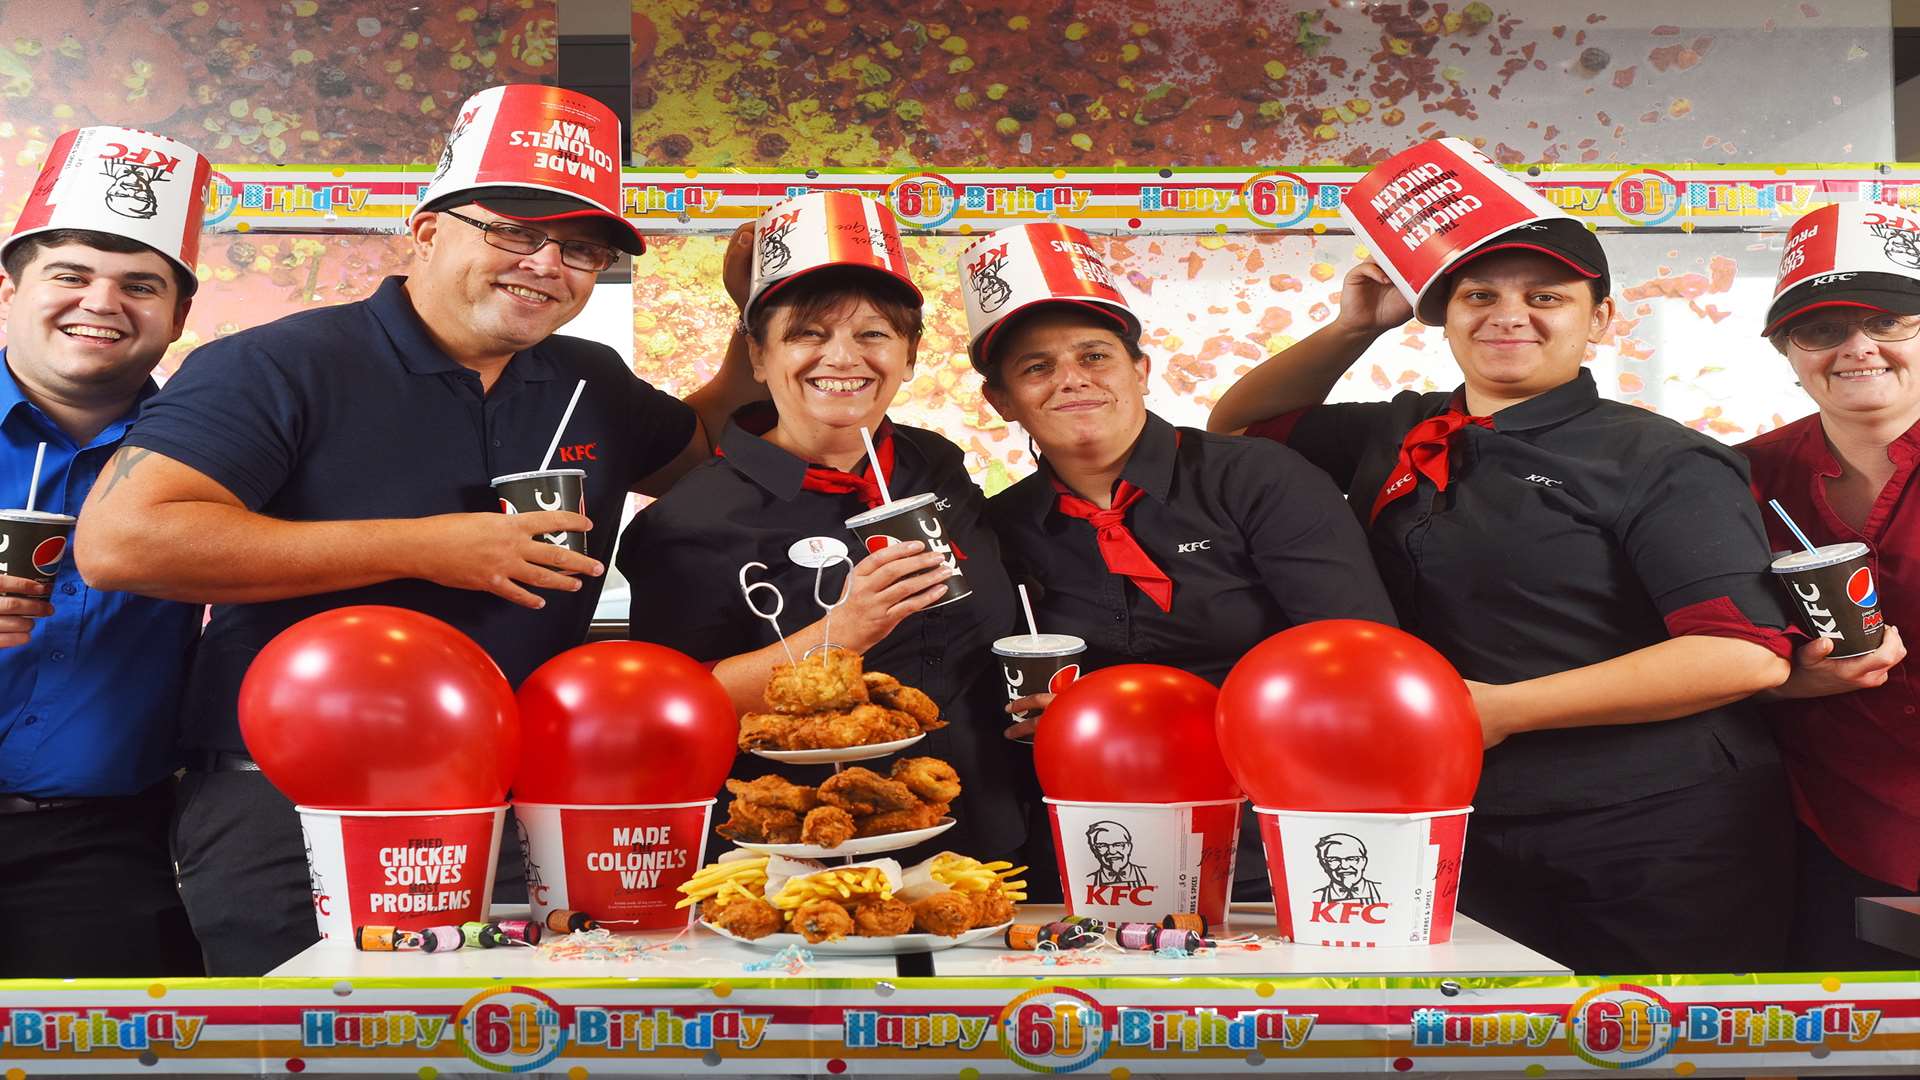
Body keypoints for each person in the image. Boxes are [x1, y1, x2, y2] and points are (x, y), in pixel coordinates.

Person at [73, 86, 760, 976]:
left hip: (519, 813)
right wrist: (432, 545)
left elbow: (715, 451)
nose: (547, 263)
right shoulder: (280, 364)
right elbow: (123, 541)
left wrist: (764, 305)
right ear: (427, 232)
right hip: (294, 812)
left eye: (581, 248)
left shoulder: (589, 379)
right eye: (513, 229)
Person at [1206, 176, 1797, 973]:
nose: (1508, 314)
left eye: (1548, 296)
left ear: (1601, 320)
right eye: (1477, 294)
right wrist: (1355, 327)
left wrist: (1500, 710)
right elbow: (1239, 431)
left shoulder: (1661, 460)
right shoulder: (1403, 425)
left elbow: (1743, 651)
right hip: (1465, 816)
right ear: (1443, 317)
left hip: (1655, 827)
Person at [969, 223, 1398, 901]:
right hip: (1089, 835)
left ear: (1140, 370)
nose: (1071, 380)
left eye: (1095, 356)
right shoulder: (999, 526)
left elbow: (1358, 663)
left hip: (1276, 828)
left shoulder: (1259, 479)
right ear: (1001, 401)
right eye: (1036, 367)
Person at [620, 191, 1026, 866]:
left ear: (910, 353)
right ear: (757, 356)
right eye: (808, 333)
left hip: (984, 836)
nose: (843, 358)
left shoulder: (937, 465)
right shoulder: (691, 519)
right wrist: (842, 633)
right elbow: (671, 714)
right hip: (806, 858)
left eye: (873, 334)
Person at [0, 127, 211, 977]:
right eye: (70, 274)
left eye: (140, 285)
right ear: (7, 290)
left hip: (111, 850)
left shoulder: (217, 449)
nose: (101, 302)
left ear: (179, 316)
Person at [1740, 202, 1916, 972]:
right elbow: (1684, 652)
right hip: (1823, 836)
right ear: (1787, 351)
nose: (1858, 348)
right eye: (1821, 330)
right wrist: (1784, 683)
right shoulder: (1730, 477)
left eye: (1890, 319)